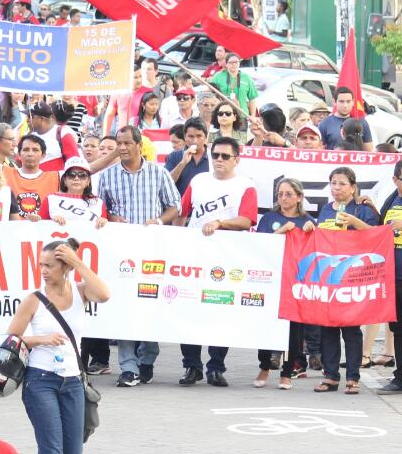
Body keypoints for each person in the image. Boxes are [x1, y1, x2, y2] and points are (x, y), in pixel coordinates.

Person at [6, 238, 109, 454]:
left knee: (73, 453)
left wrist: (78, 263)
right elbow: (11, 337)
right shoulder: (33, 299)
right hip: (41, 381)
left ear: (65, 266)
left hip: (73, 381)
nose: (43, 270)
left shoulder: (80, 292)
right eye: (41, 264)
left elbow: (104, 294)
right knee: (52, 453)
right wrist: (39, 340)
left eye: (50, 265)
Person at [96, 126, 179, 387]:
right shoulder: (108, 176)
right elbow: (98, 209)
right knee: (125, 308)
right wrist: (109, 218)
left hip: (152, 251)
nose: (121, 148)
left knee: (148, 307)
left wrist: (157, 221)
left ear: (139, 145)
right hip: (120, 254)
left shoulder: (158, 173)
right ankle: (128, 367)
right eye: (118, 143)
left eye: (126, 143)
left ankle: (147, 357)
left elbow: (174, 207)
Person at [175, 137, 257, 387]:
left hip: (226, 258)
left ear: (237, 160)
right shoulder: (199, 181)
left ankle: (216, 367)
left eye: (225, 156)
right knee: (189, 309)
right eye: (216, 155)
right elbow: (182, 212)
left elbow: (247, 220)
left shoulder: (245, 185)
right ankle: (192, 365)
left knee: (221, 312)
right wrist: (176, 238)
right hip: (195, 255)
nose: (219, 160)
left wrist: (221, 223)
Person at [312, 167, 379, 395]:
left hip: (353, 276)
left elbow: (377, 235)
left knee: (351, 330)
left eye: (341, 184)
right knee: (328, 328)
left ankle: (353, 377)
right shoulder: (325, 209)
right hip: (329, 277)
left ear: (353, 187)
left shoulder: (362, 209)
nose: (336, 188)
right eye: (333, 183)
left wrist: (354, 221)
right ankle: (330, 377)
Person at [256, 178, 316, 390]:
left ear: (299, 197)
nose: (283, 198)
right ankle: (263, 367)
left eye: (288, 194)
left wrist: (312, 232)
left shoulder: (308, 221)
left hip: (295, 282)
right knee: (266, 324)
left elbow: (316, 253)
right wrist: (280, 232)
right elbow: (258, 247)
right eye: (280, 194)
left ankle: (288, 372)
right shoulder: (269, 218)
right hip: (271, 279)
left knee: (294, 329)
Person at [377, 164, 402, 394]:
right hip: (394, 276)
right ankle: (400, 377)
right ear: (395, 180)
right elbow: (377, 228)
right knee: (398, 328)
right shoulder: (392, 200)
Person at [6, 134, 57, 220]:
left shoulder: (55, 177)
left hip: (43, 231)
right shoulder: (5, 173)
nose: (30, 154)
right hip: (12, 231)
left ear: (43, 155)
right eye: (25, 150)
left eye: (35, 150)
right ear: (19, 154)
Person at [208, 53, 258, 117]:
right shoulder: (218, 76)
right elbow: (210, 92)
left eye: (236, 62)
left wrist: (253, 116)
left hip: (241, 115)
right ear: (226, 64)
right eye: (231, 62)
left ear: (239, 63)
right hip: (223, 115)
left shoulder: (246, 77)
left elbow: (252, 98)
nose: (234, 64)